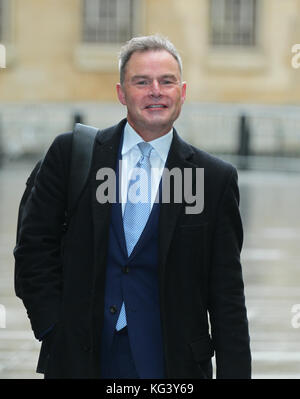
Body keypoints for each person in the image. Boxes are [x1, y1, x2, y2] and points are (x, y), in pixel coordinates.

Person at [14, 35, 251, 379]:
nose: (156, 90)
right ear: (121, 93)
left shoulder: (212, 178)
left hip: (172, 363)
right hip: (81, 358)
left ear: (181, 92)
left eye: (166, 81)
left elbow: (227, 292)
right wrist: (53, 327)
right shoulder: (73, 157)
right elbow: (34, 249)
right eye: (142, 82)